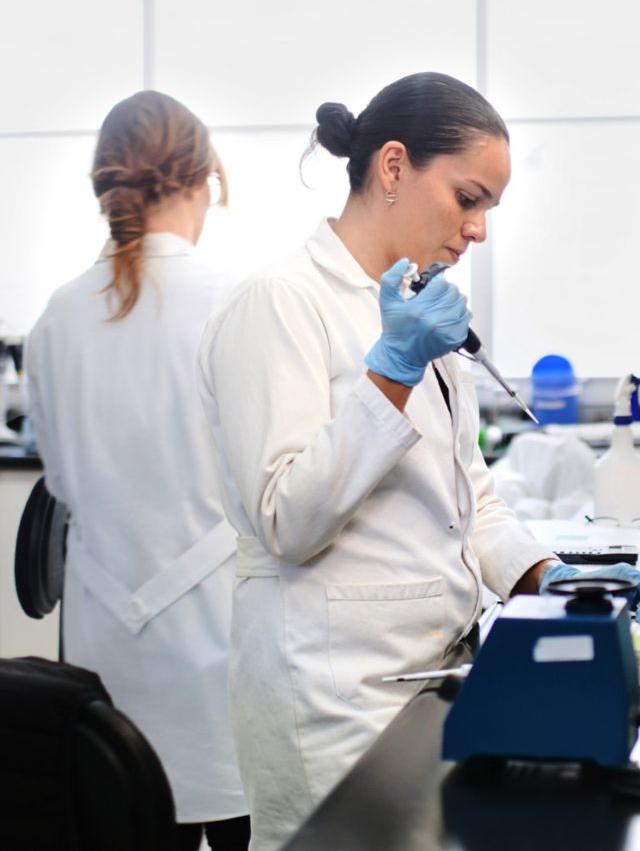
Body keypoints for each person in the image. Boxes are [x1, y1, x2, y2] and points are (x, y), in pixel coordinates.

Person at [197, 72, 640, 850]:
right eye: (468, 198)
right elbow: (287, 519)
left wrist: (549, 575)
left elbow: (470, 499)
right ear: (394, 167)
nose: (478, 230)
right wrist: (391, 370)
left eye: (489, 209)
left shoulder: (420, 315)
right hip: (330, 700)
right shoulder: (279, 303)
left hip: (431, 688)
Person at [26, 90, 250, 851]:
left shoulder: (57, 317)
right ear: (203, 181)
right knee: (235, 819)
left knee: (126, 815)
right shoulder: (231, 302)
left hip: (105, 651)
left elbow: (60, 484)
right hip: (217, 650)